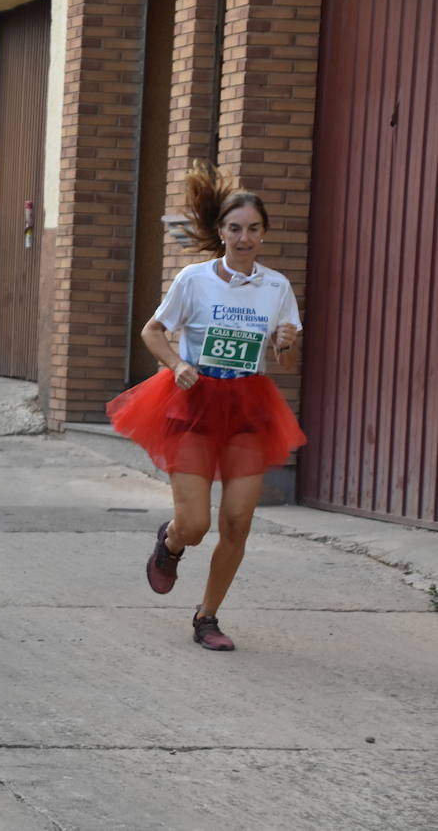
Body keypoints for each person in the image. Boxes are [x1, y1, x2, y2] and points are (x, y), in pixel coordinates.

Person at [108, 161, 305, 652]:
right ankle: (171, 542)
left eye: (253, 229)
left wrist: (286, 342)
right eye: (235, 228)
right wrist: (176, 364)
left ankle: (207, 616)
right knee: (195, 525)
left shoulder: (276, 287)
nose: (244, 238)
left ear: (264, 233)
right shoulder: (194, 280)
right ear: (221, 232)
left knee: (237, 521)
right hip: (195, 401)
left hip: (247, 405)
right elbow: (153, 331)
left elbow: (286, 359)